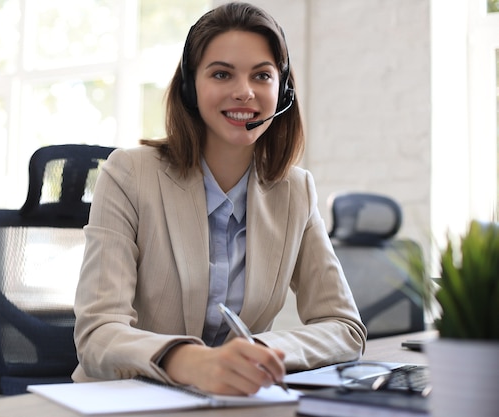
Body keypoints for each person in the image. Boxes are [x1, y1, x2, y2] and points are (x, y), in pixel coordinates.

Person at [73, 2, 367, 396]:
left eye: (262, 75)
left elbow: (344, 327)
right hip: (126, 399)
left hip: (233, 400)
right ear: (189, 87)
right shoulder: (129, 174)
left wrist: (260, 351)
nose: (244, 92)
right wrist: (190, 361)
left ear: (283, 91)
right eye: (222, 73)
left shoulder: (296, 191)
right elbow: (97, 333)